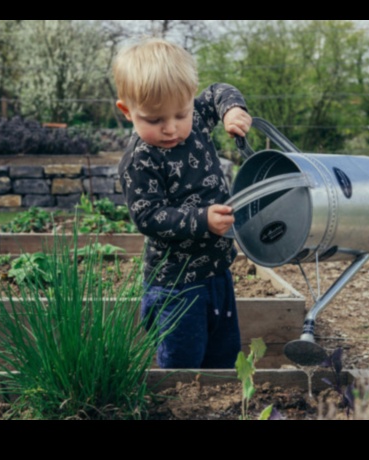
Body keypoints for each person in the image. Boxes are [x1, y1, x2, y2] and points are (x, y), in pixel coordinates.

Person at [113, 37, 252, 369]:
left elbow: (219, 90)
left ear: (191, 100)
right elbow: (148, 216)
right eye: (153, 119)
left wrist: (233, 109)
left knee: (223, 352)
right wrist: (201, 220)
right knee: (183, 361)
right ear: (126, 111)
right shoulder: (140, 160)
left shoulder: (199, 118)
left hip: (218, 271)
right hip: (176, 284)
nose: (170, 128)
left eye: (181, 113)